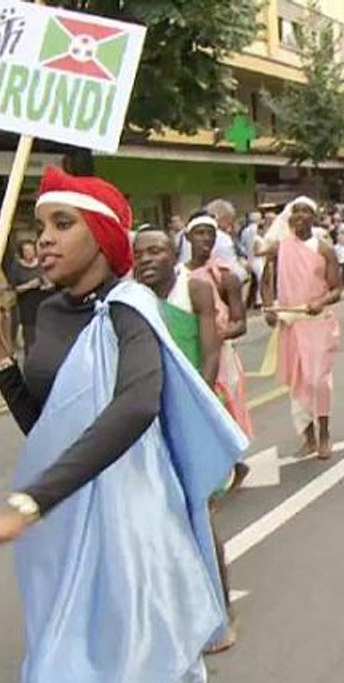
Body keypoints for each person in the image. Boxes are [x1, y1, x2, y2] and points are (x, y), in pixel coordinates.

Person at [0, 167, 245, 683]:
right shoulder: (48, 313)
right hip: (69, 525)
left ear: (101, 235)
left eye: (62, 223)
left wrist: (27, 503)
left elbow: (136, 405)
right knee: (64, 681)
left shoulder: (131, 308)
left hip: (132, 525)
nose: (44, 238)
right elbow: (45, 427)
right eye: (39, 225)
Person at [133, 226, 242, 654]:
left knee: (199, 514)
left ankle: (223, 609)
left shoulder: (194, 289)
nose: (146, 259)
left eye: (156, 251)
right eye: (139, 253)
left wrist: (195, 408)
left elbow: (211, 350)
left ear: (172, 253)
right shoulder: (130, 297)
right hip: (146, 416)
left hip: (189, 411)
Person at [261, 197, 343, 460]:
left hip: (318, 323)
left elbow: (337, 289)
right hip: (291, 323)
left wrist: (320, 302)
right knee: (298, 383)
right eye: (295, 212)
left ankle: (325, 435)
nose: (300, 216)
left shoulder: (324, 249)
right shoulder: (280, 248)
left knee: (318, 381)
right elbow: (265, 279)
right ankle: (307, 438)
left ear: (314, 217)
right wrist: (268, 307)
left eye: (306, 212)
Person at [185, 215, 253, 443]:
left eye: (210, 234)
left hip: (222, 358)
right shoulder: (177, 275)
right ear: (187, 237)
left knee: (226, 412)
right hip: (187, 354)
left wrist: (216, 335)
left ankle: (235, 466)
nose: (205, 239)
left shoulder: (225, 276)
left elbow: (240, 323)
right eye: (199, 233)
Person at [11, 239, 54, 357]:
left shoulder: (41, 263)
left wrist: (47, 284)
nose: (29, 253)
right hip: (27, 305)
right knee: (30, 338)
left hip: (43, 302)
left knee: (45, 335)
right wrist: (30, 285)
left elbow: (50, 282)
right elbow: (14, 289)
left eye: (31, 250)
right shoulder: (17, 267)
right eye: (26, 251)